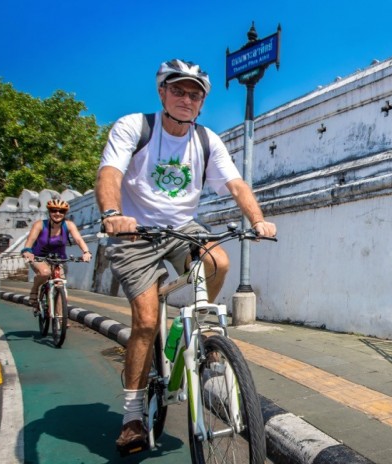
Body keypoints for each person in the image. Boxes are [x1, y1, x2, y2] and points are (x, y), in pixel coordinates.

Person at [96, 58, 277, 455]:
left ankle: (194, 327)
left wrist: (259, 220)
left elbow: (235, 183)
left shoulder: (207, 141)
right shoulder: (135, 127)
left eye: (194, 94)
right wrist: (112, 215)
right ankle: (132, 416)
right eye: (177, 90)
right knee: (144, 321)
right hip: (135, 231)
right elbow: (109, 172)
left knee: (219, 261)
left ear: (202, 104)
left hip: (181, 229)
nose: (186, 99)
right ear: (162, 93)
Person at [20, 198, 92, 310]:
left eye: (61, 211)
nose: (57, 214)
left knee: (60, 285)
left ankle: (60, 317)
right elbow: (29, 242)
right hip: (39, 257)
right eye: (54, 210)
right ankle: (35, 289)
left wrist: (86, 252)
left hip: (59, 259)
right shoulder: (40, 225)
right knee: (45, 273)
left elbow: (78, 239)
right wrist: (27, 252)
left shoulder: (68, 225)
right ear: (49, 212)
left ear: (65, 213)